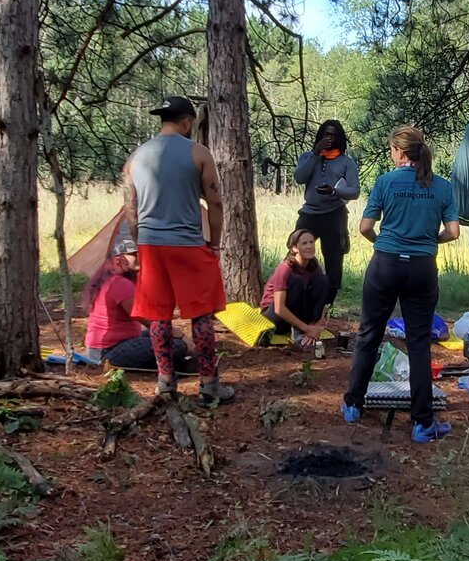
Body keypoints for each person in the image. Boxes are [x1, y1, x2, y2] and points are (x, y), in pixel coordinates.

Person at [341, 126, 460, 441]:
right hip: (422, 267)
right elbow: (454, 231)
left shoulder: (385, 182)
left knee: (369, 333)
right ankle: (422, 424)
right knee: (419, 342)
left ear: (399, 151)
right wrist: (430, 240)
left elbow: (365, 227)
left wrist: (381, 241)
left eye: (392, 150)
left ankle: (353, 404)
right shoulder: (442, 187)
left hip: (386, 263)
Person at [120, 96, 236, 404]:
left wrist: (139, 240)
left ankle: (166, 382)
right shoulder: (198, 153)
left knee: (159, 315)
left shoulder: (136, 157)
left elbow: (130, 208)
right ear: (186, 121)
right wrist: (214, 243)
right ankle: (209, 384)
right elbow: (215, 202)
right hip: (188, 244)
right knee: (201, 315)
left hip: (151, 244)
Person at [81, 240, 191, 373]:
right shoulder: (119, 283)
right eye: (134, 254)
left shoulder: (110, 279)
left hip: (106, 348)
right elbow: (147, 319)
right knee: (177, 346)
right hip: (109, 353)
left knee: (157, 335)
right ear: (118, 260)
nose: (139, 257)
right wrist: (182, 337)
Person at [291, 120, 361, 306]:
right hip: (309, 214)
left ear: (339, 138)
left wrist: (334, 191)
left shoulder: (347, 162)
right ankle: (296, 299)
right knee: (296, 256)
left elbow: (354, 191)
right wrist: (316, 153)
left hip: (334, 215)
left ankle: (325, 307)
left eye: (333, 135)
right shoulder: (308, 157)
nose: (329, 139)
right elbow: (299, 178)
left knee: (334, 262)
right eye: (326, 134)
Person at [263, 227, 335, 352]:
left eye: (311, 242)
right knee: (296, 281)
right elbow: (279, 308)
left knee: (324, 280)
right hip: (276, 316)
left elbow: (322, 301)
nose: (309, 246)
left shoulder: (314, 267)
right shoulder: (285, 268)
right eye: (304, 243)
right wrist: (306, 329)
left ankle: (302, 332)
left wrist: (315, 327)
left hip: (301, 314)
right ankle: (298, 332)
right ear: (294, 248)